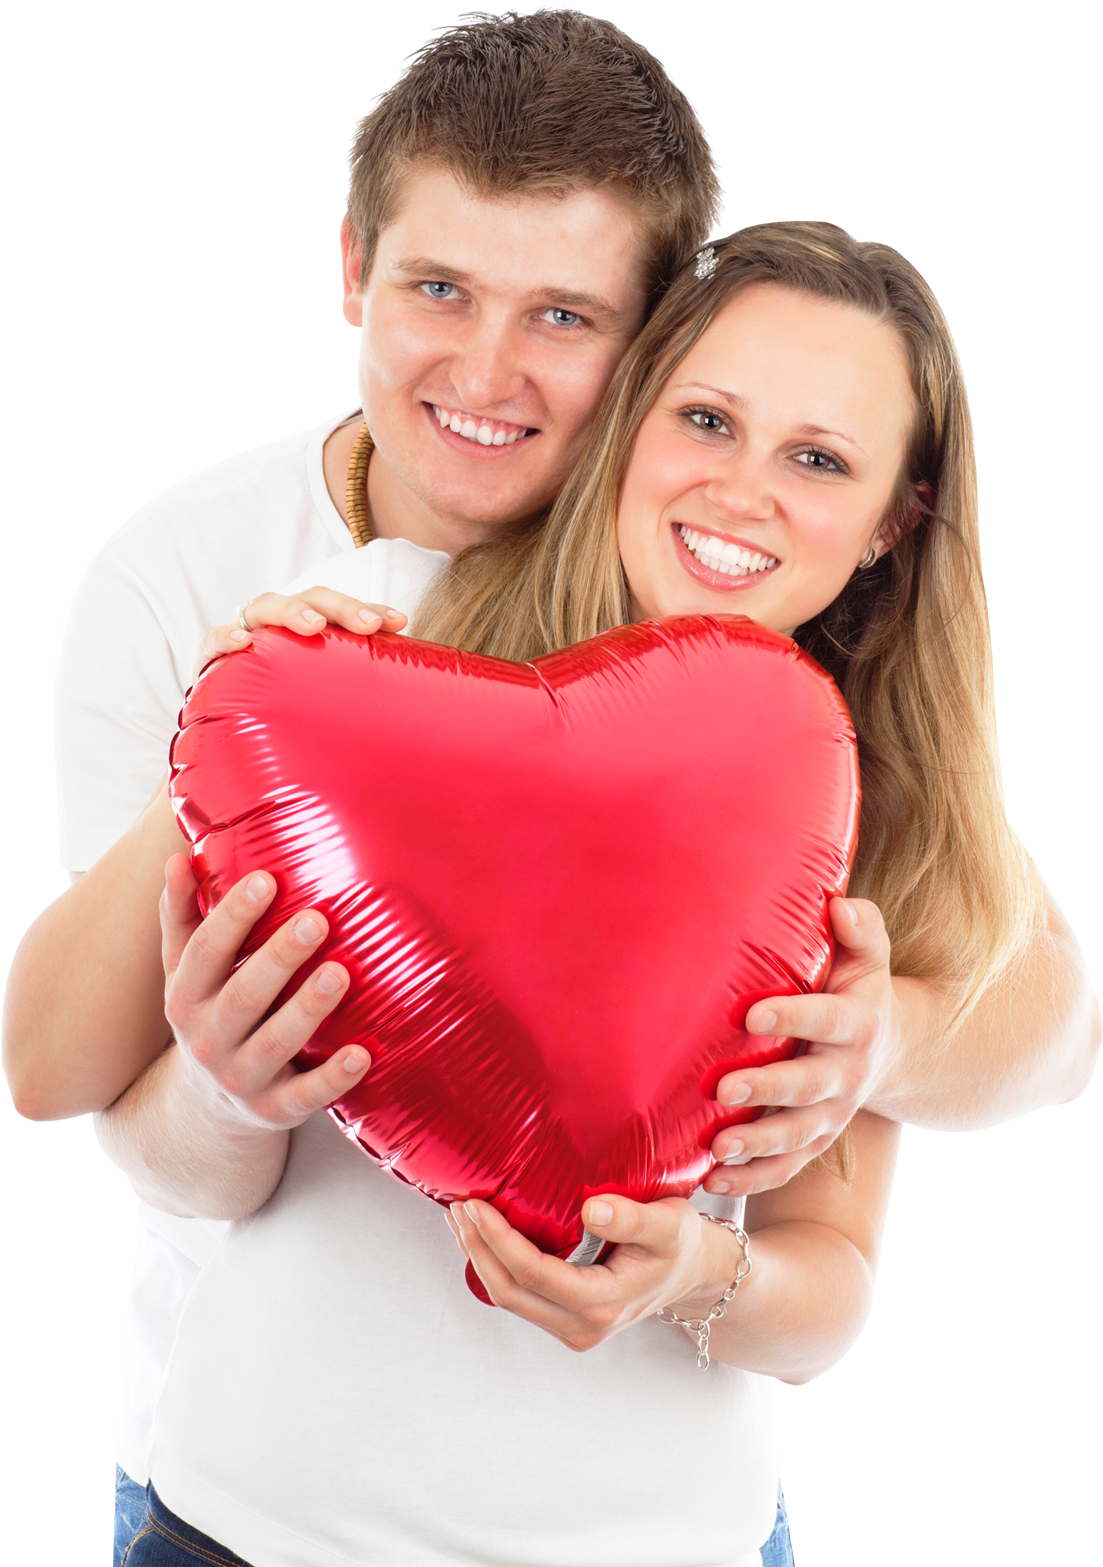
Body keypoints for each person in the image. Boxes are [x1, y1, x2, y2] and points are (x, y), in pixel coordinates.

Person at [89, 221, 1098, 1565]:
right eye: (705, 418)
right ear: (634, 412)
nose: (742, 490)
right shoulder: (381, 633)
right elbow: (116, 1120)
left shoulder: (858, 793)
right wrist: (222, 1075)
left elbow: (837, 1272)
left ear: (890, 520)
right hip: (248, 1532)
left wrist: (697, 1273)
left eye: (818, 457)